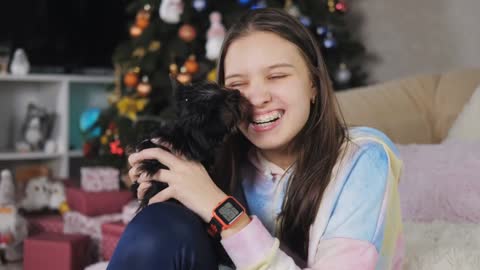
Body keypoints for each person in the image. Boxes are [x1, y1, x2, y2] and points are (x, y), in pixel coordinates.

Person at [107, 8, 404, 270]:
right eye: (238, 84)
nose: (258, 98)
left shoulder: (362, 158)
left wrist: (220, 209)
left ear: (313, 84)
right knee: (158, 225)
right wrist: (166, 183)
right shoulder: (228, 157)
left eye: (277, 76)